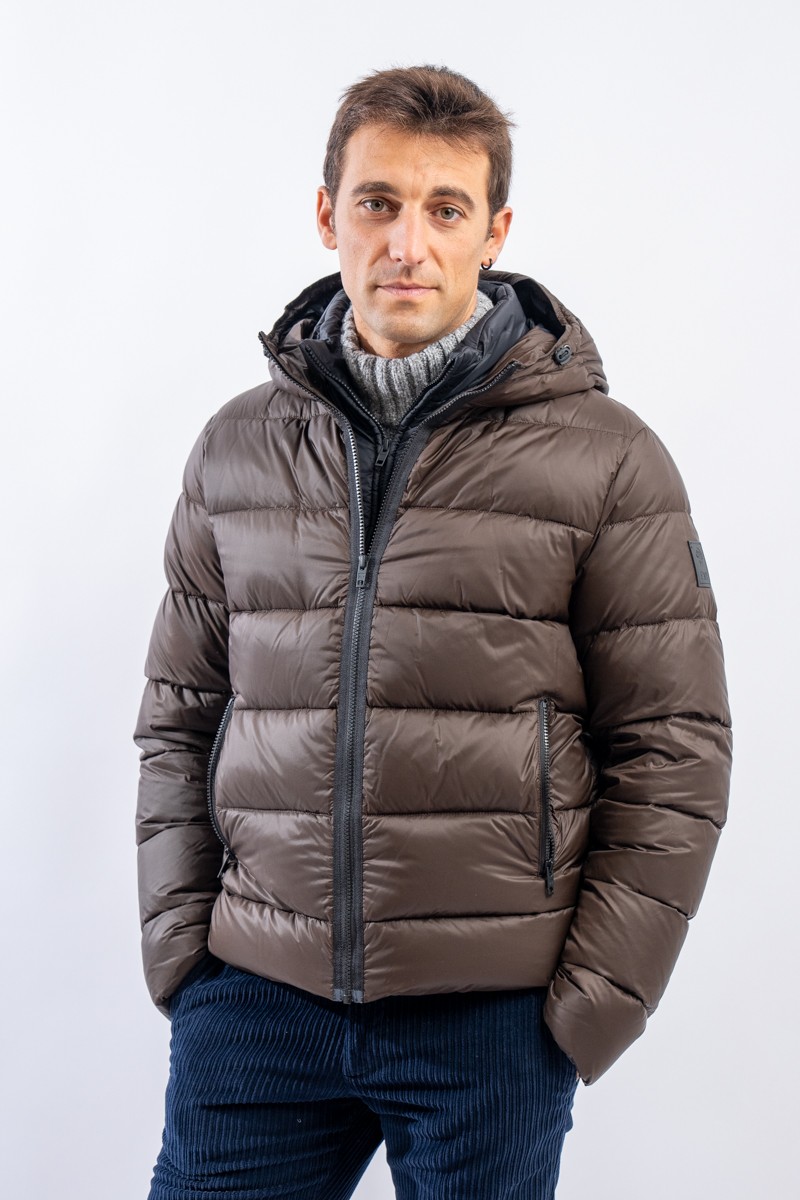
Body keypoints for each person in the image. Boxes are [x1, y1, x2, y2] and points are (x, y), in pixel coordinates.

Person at [134, 64, 732, 1199]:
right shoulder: (236, 447)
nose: (407, 243)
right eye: (379, 202)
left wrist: (588, 1006)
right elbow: (180, 714)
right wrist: (184, 955)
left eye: (445, 209)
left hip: (490, 1018)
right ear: (328, 215)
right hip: (254, 1001)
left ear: (493, 233)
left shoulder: (607, 459)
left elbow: (675, 747)